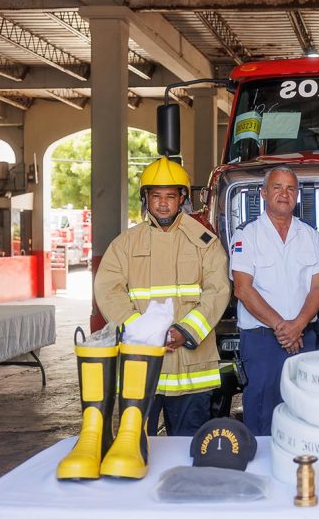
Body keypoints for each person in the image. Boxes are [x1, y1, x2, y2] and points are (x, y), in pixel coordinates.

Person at [94, 156, 231, 436]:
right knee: (137, 445)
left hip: (191, 367)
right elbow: (108, 290)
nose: (163, 203)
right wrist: (142, 330)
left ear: (182, 198)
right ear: (146, 198)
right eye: (156, 196)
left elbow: (218, 291)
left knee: (186, 447)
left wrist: (186, 331)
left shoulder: (205, 242)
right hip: (142, 363)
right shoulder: (125, 244)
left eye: (171, 195)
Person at [230, 166, 319, 436]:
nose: (284, 194)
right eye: (277, 187)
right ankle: (259, 475)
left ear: (297, 195)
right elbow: (243, 290)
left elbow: (318, 287)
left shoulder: (309, 234)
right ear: (263, 193)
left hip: (304, 336)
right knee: (261, 413)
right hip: (262, 339)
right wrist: (284, 327)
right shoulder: (246, 235)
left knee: (301, 412)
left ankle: (297, 472)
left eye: (290, 188)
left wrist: (298, 325)